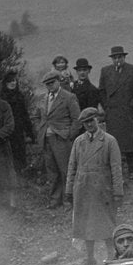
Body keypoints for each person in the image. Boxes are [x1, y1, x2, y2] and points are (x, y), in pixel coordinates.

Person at [66, 107, 124, 265]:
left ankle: (112, 254)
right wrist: (69, 190)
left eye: (91, 121)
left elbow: (116, 168)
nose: (89, 125)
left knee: (106, 222)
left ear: (97, 120)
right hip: (83, 189)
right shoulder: (79, 142)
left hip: (103, 190)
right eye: (85, 122)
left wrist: (118, 192)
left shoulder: (109, 141)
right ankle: (90, 257)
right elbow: (72, 167)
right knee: (85, 225)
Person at [99, 45, 133, 179]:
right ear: (112, 59)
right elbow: (101, 91)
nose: (117, 60)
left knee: (131, 142)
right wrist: (107, 107)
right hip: (113, 114)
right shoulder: (105, 71)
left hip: (128, 113)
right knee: (114, 144)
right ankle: (116, 171)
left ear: (124, 57)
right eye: (114, 58)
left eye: (119, 57)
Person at [36, 69, 81, 208]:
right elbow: (38, 117)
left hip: (62, 139)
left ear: (58, 82)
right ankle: (55, 200)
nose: (50, 86)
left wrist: (69, 135)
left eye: (52, 82)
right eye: (47, 84)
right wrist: (40, 130)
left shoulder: (68, 97)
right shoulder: (43, 99)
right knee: (52, 171)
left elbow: (77, 119)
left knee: (66, 169)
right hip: (47, 139)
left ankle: (70, 200)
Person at [1, 71, 35, 174]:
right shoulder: (2, 97)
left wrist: (29, 132)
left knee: (19, 153)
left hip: (18, 129)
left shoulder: (19, 96)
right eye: (10, 81)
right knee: (7, 154)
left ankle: (19, 177)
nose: (13, 83)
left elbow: (24, 114)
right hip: (6, 129)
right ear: (6, 83)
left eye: (14, 81)